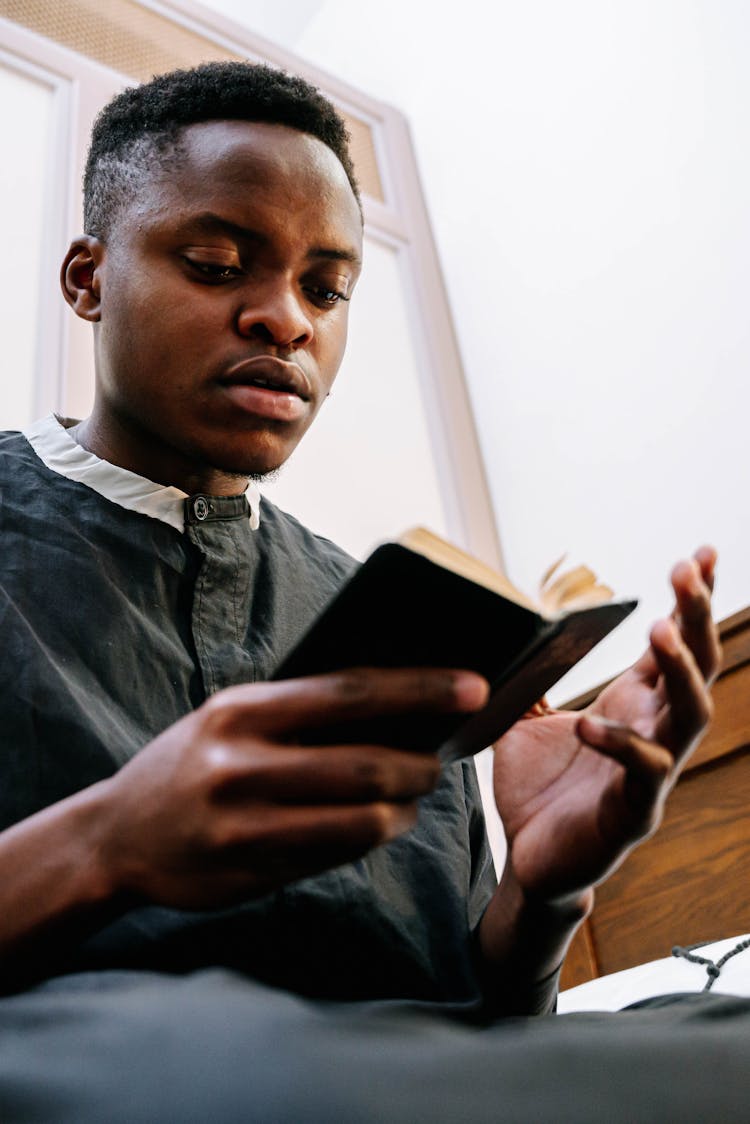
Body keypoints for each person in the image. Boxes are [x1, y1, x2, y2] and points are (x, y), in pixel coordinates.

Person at [0, 61, 745, 1122]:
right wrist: (107, 839)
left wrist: (542, 890)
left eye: (326, 287)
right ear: (89, 279)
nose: (285, 320)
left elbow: (492, 1035)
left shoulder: (384, 617)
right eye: (216, 263)